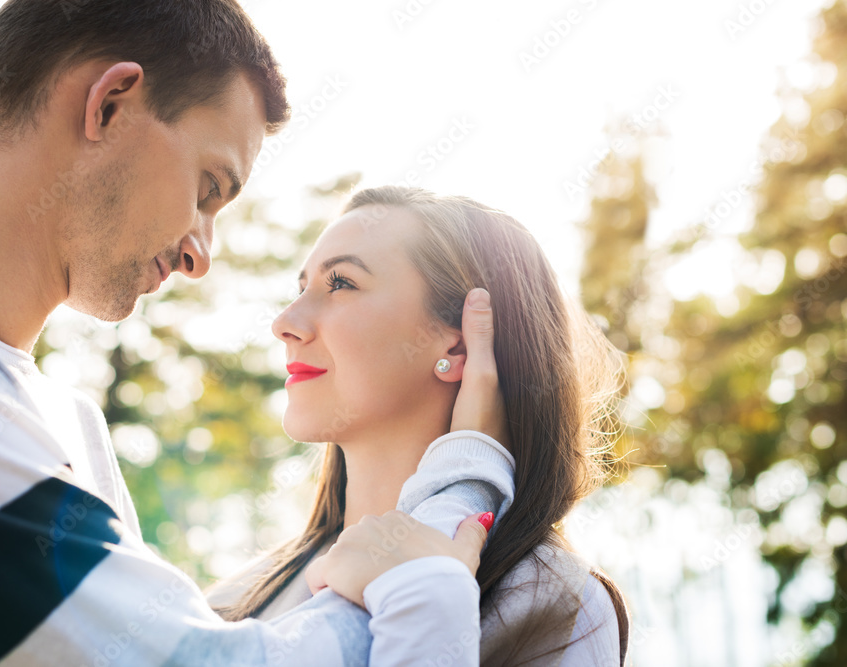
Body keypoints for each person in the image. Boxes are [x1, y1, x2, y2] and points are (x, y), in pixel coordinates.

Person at [0, 2, 506, 665]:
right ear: (110, 106)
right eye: (206, 189)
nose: (200, 255)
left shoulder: (69, 422)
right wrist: (456, 500)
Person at [207, 186, 633, 666]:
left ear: (458, 344)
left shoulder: (551, 603)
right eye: (301, 289)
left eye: (341, 283)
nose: (285, 322)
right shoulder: (233, 602)